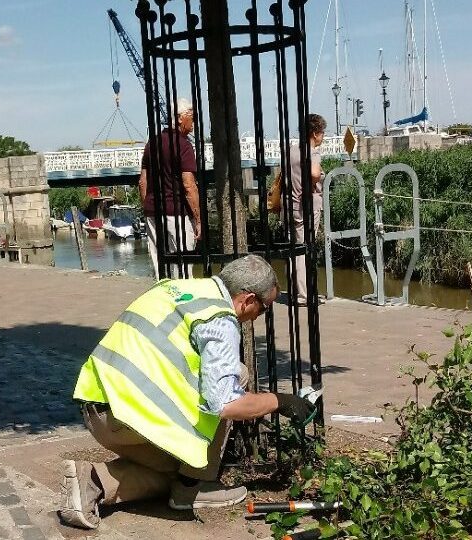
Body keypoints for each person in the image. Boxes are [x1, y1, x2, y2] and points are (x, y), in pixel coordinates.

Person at [59, 255, 316, 529]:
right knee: (235, 378)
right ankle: (194, 485)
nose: (258, 316)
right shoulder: (220, 319)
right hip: (128, 416)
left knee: (174, 473)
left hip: (98, 403)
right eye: (264, 308)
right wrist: (278, 401)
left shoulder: (178, 288)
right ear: (248, 300)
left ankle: (92, 481)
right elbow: (225, 404)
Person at [139, 97, 202, 280]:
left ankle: (164, 299)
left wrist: (148, 206)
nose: (194, 120)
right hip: (177, 213)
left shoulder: (151, 144)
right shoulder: (183, 145)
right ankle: (182, 303)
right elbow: (189, 185)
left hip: (153, 213)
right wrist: (197, 219)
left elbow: (143, 182)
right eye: (192, 115)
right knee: (182, 266)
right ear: (181, 117)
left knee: (160, 265)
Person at [288, 114, 327, 307]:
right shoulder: (311, 152)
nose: (323, 137)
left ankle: (298, 292)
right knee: (308, 249)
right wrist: (314, 182)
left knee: (297, 249)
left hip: (293, 206)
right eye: (322, 133)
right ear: (314, 133)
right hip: (309, 206)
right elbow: (313, 173)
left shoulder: (291, 151)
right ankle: (306, 295)